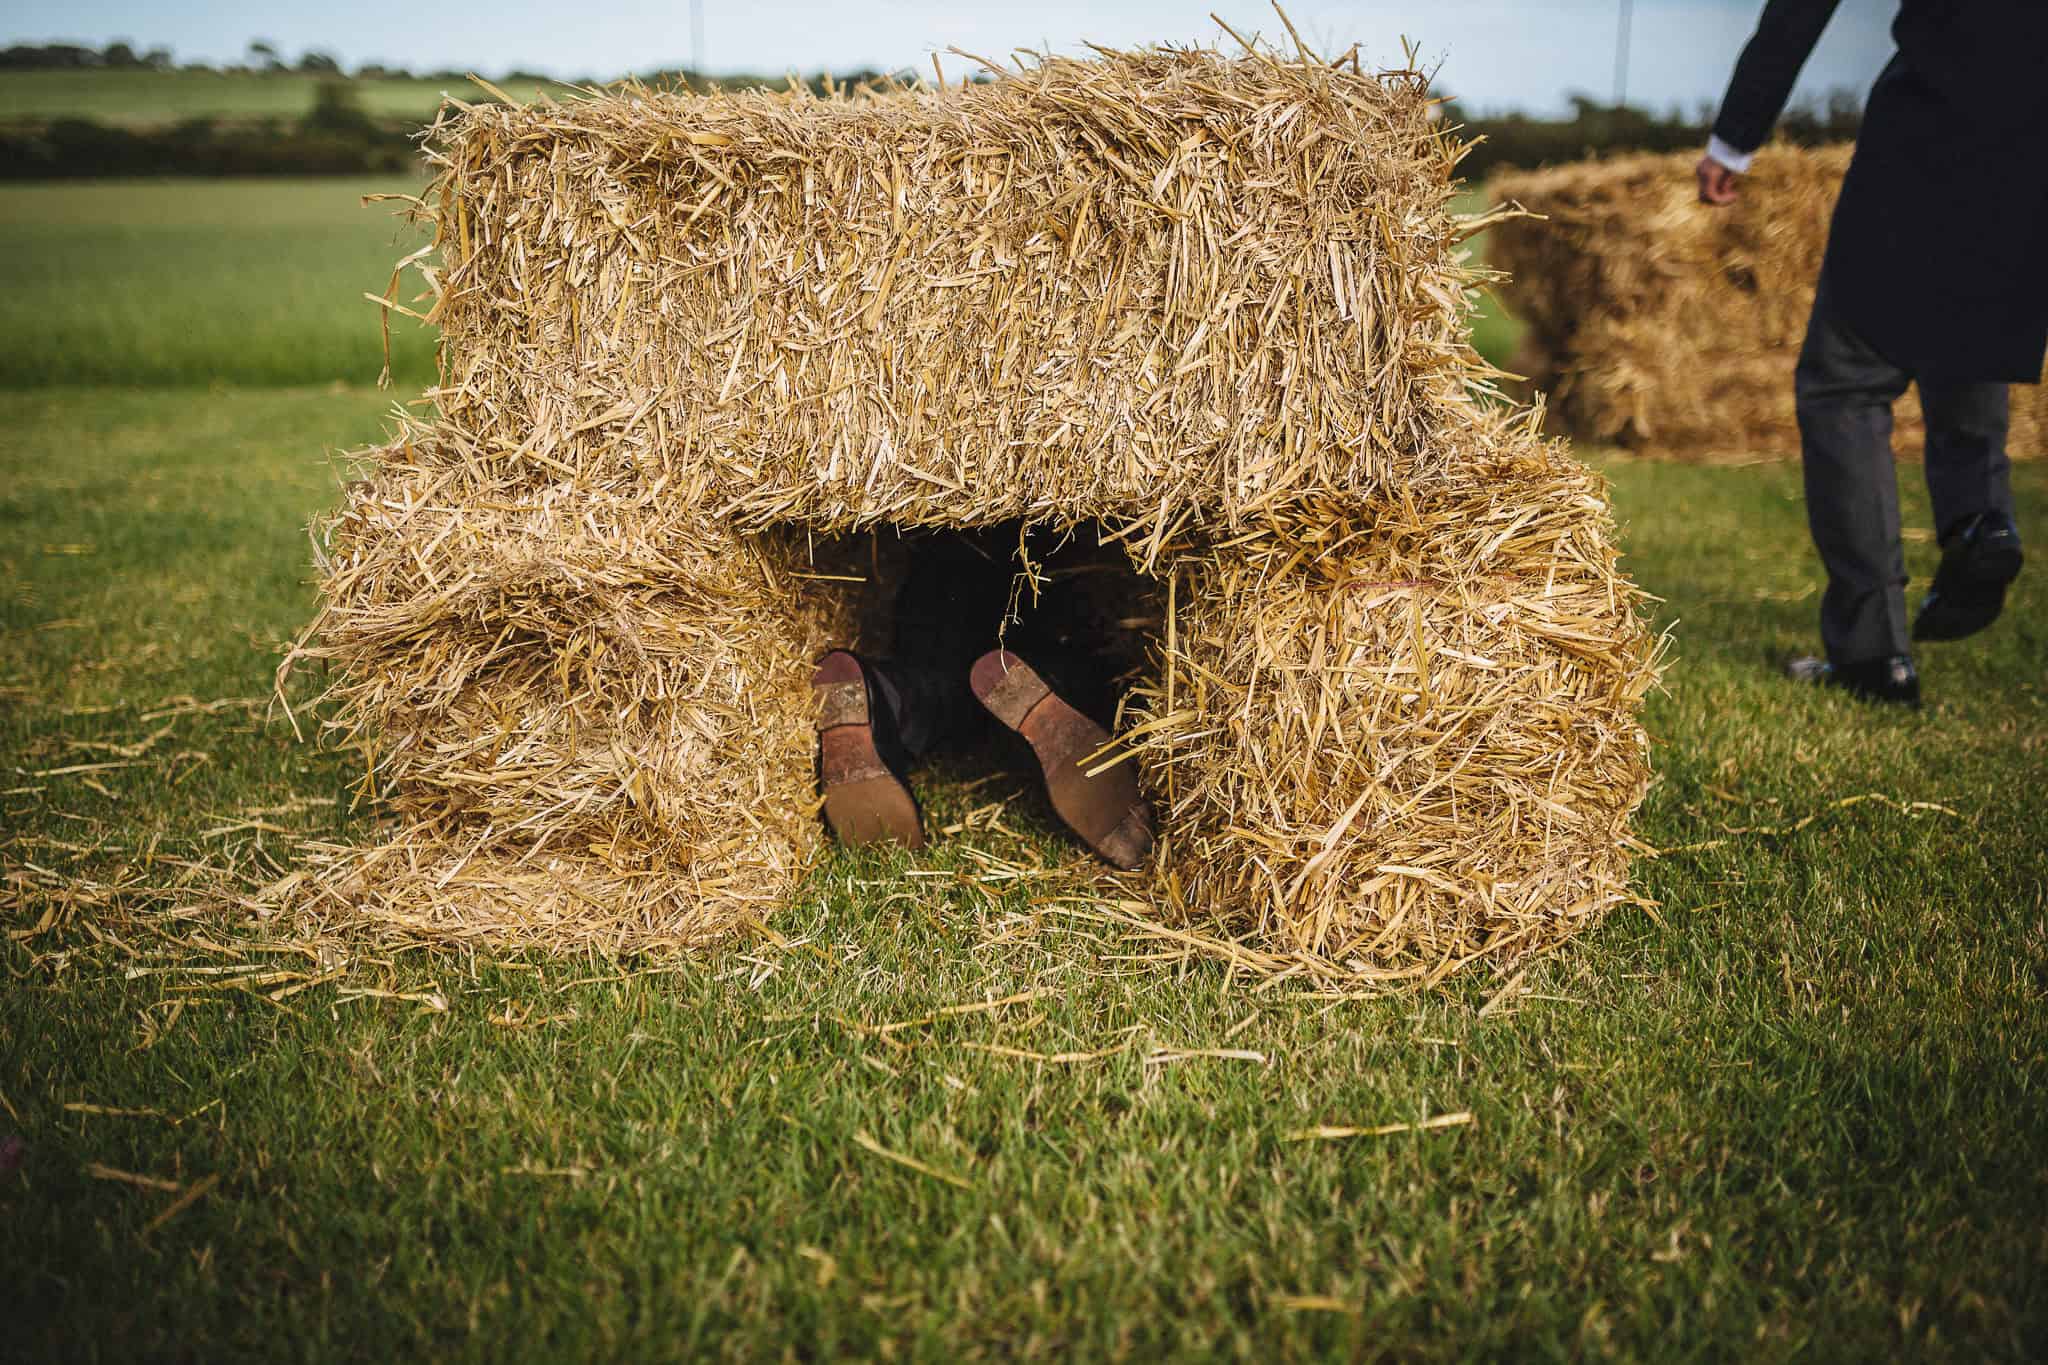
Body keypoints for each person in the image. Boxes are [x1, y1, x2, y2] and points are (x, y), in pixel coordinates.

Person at [1697, 0, 2047, 706]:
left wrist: (1735, 136)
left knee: (1845, 382)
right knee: (1966, 333)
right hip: (2033, 141)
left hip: (1930, 125)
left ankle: (1872, 653)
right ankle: (1981, 517)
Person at [808, 530, 1155, 869]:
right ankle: (1052, 691)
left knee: (933, 689)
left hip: (944, 573)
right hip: (1034, 573)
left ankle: (878, 692)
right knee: (1052, 663)